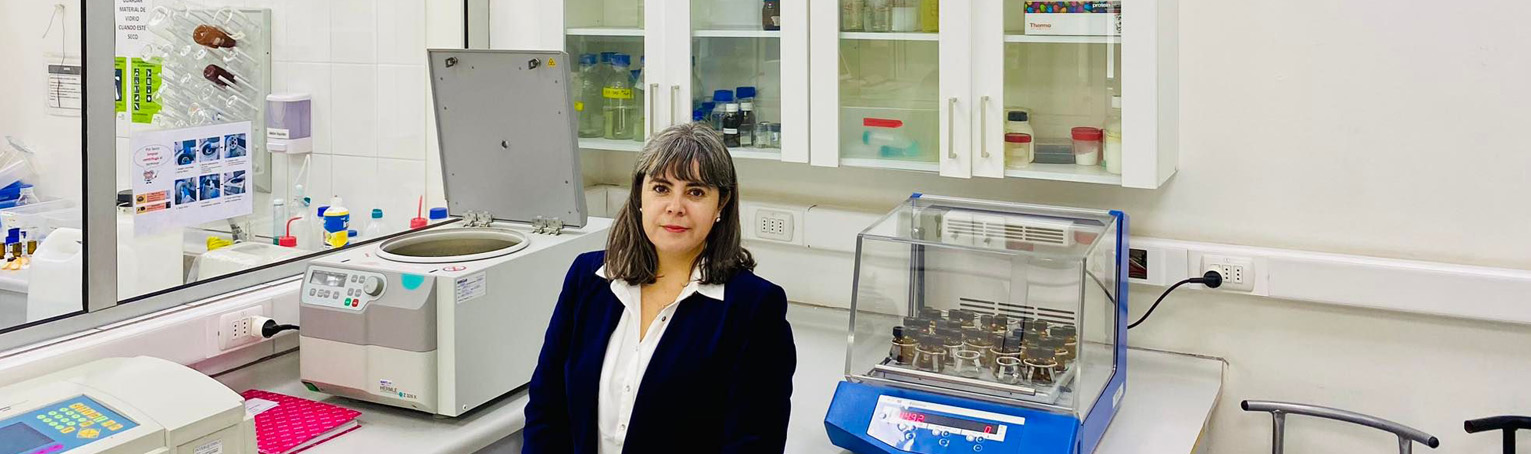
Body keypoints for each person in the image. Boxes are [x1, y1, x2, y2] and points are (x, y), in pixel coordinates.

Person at [523, 123, 797, 453]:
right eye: (661, 188)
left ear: (721, 205)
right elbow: (547, 407)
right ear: (640, 195)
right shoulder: (588, 278)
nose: (675, 207)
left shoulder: (754, 308)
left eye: (696, 192)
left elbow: (753, 443)